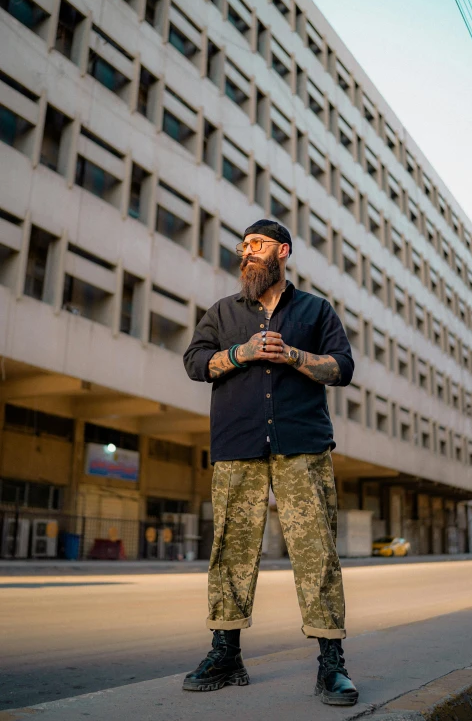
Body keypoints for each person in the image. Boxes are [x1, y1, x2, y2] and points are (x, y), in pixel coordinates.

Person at [182, 219, 358, 706]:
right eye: (242, 247)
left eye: (256, 245)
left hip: (303, 446)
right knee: (230, 553)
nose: (246, 253)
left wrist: (295, 356)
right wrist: (238, 354)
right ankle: (226, 652)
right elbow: (195, 363)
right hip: (238, 447)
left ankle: (331, 663)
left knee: (317, 552)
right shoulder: (222, 312)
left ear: (282, 251)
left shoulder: (316, 310)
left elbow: (342, 368)